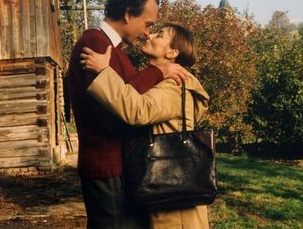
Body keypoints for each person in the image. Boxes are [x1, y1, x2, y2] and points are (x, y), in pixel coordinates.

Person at [67, 0, 186, 229]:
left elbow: (123, 91)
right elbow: (122, 102)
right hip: (105, 166)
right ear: (128, 14)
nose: (147, 33)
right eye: (148, 24)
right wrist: (156, 71)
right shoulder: (96, 44)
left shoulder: (113, 50)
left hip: (115, 165)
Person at [81, 24, 210, 229]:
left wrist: (104, 72)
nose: (149, 35)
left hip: (176, 205)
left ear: (172, 52)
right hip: (167, 190)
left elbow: (137, 110)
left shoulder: (175, 85)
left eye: (159, 35)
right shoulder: (165, 81)